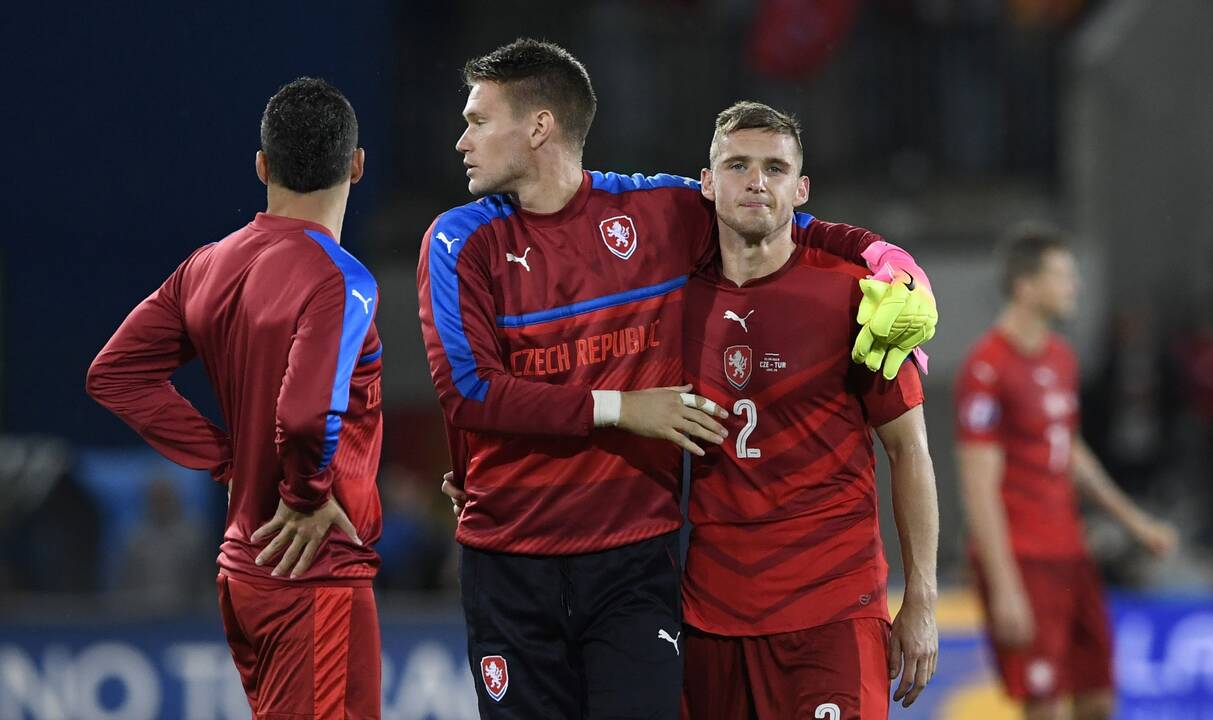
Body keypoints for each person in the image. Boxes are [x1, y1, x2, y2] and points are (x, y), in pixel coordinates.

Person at [418, 39, 937, 719]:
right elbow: (468, 392)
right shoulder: (460, 241)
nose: (462, 140)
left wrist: (891, 260)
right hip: (522, 564)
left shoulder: (654, 217)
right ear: (709, 178)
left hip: (648, 566)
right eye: (736, 167)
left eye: (478, 121)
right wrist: (615, 411)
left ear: (538, 126)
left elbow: (780, 219)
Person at [87, 77, 384, 720]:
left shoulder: (207, 265)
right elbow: (304, 417)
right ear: (357, 166)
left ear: (262, 165)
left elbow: (114, 374)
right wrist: (304, 495)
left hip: (245, 571)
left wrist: (229, 459)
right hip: (312, 567)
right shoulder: (341, 279)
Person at [677, 101, 939, 719]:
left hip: (832, 608)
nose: (756, 181)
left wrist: (921, 599)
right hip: (709, 614)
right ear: (707, 183)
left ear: (801, 188)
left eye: (774, 167)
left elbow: (909, 450)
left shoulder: (860, 296)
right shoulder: (672, 300)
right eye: (737, 165)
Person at [955, 225, 1177, 720]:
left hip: (1070, 553)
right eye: (1063, 275)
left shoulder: (1061, 358)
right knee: (1046, 705)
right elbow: (978, 486)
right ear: (1026, 286)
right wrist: (1004, 584)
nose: (1074, 285)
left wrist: (1135, 522)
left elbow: (1069, 450)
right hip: (1024, 559)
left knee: (1098, 698)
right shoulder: (986, 368)